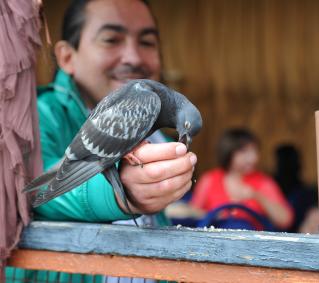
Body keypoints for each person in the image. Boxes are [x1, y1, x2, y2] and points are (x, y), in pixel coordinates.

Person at [6, 0, 196, 282]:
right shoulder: (34, 118)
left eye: (147, 42)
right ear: (67, 57)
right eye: (111, 39)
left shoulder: (155, 133)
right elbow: (29, 191)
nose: (132, 56)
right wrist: (120, 191)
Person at [190, 128, 294, 231]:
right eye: (244, 152)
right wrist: (214, 215)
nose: (253, 158)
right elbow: (192, 213)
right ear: (228, 152)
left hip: (253, 244)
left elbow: (285, 221)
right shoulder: (209, 179)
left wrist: (257, 196)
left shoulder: (264, 182)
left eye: (255, 151)